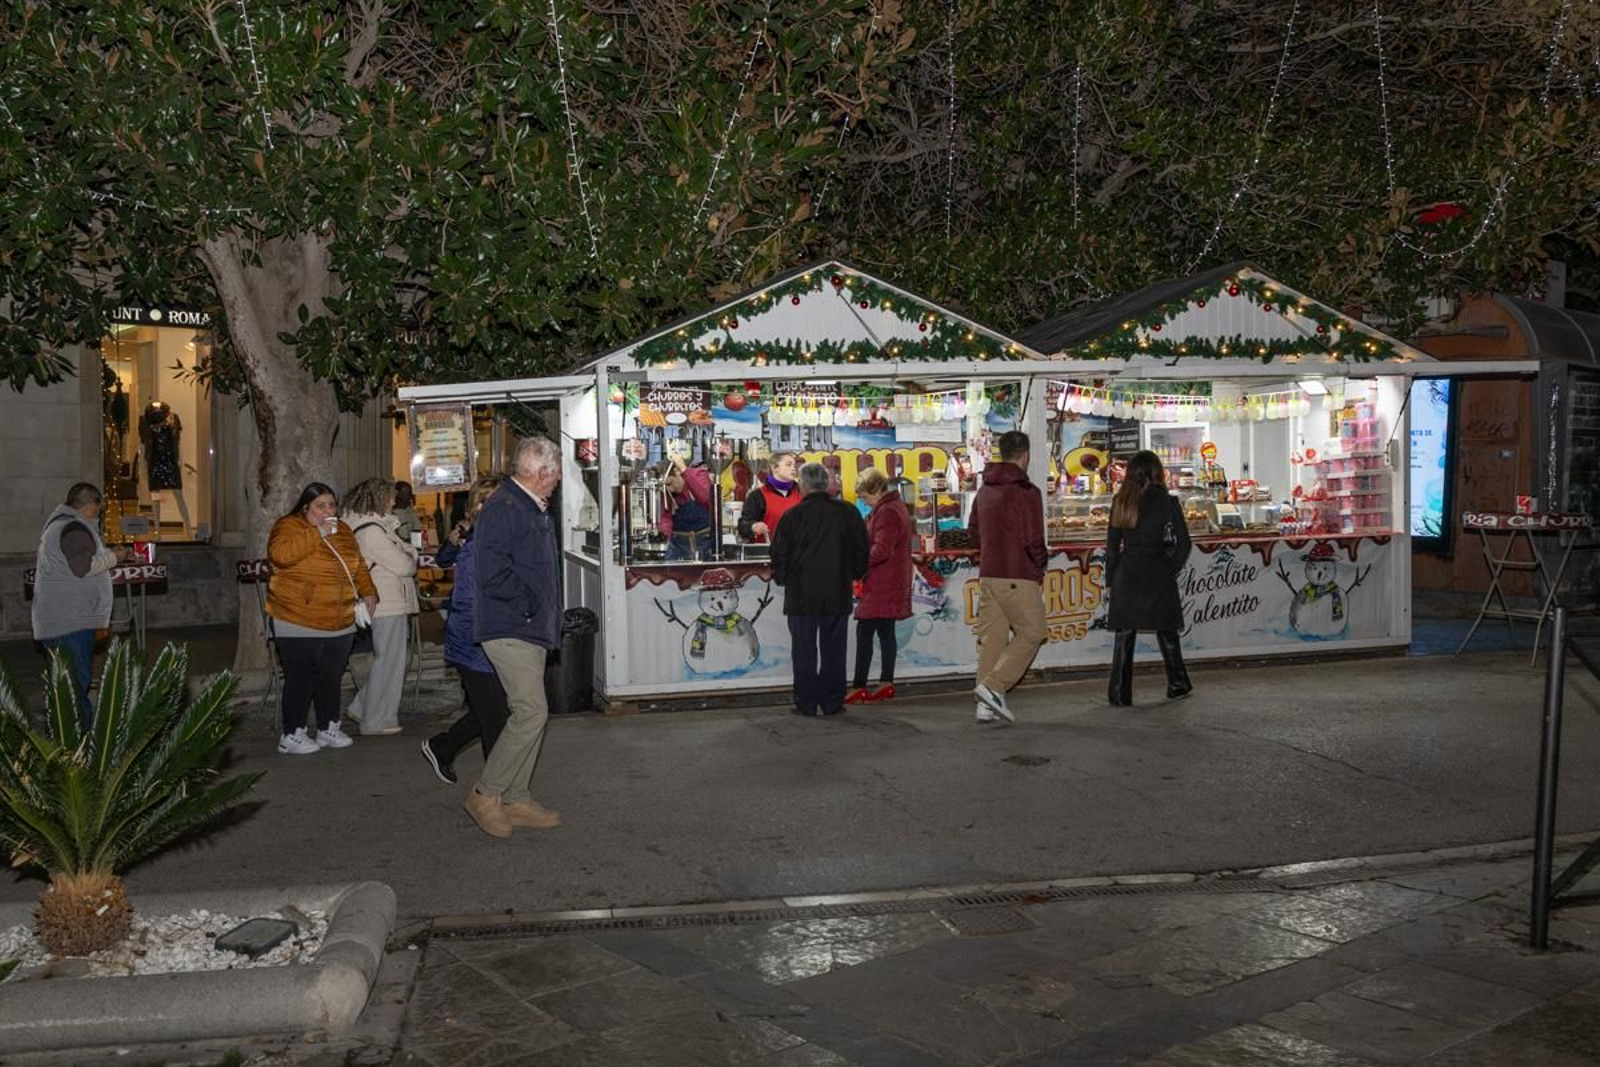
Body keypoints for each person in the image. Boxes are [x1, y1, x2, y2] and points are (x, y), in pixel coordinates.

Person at [463, 437, 565, 838]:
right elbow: (491, 572)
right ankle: (485, 794)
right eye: (554, 473)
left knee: (530, 711)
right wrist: (529, 606)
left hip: (526, 625)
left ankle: (517, 798)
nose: (557, 481)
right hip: (511, 626)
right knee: (531, 712)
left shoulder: (525, 504)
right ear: (541, 472)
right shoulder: (506, 508)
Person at [266, 482, 377, 755]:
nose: (328, 510)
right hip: (297, 617)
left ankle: (328, 727)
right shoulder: (288, 526)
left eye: (332, 505)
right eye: (321, 506)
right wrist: (318, 532)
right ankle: (292, 733)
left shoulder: (344, 530)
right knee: (301, 677)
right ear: (306, 507)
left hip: (340, 618)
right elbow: (280, 555)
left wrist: (370, 593)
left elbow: (358, 564)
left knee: (331, 677)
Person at [421, 476, 510, 785]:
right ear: (478, 504)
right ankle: (496, 789)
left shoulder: (491, 533)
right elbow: (446, 563)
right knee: (497, 714)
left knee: (495, 709)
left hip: (487, 635)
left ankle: (443, 746)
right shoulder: (476, 538)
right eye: (491, 500)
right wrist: (456, 537)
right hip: (475, 638)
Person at [772, 462, 869, 717]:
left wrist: (783, 578)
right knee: (834, 651)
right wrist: (854, 574)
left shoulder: (791, 516)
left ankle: (806, 703)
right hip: (837, 591)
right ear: (827, 484)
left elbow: (779, 555)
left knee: (803, 651)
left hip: (801, 594)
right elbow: (862, 551)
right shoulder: (848, 512)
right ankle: (832, 702)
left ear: (802, 486)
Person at [31, 483, 130, 730]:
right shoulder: (74, 528)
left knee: (64, 687)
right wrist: (114, 558)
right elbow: (82, 568)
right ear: (89, 506)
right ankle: (81, 746)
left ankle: (66, 741)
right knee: (75, 688)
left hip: (60, 620)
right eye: (98, 508)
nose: (98, 514)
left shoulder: (60, 525)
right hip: (70, 623)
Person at [968, 431, 1047, 725]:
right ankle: (993, 686)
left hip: (989, 573)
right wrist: (1041, 563)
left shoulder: (984, 491)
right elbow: (1033, 538)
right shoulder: (1027, 492)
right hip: (1018, 574)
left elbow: (972, 532)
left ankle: (984, 705)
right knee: (1034, 631)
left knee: (992, 639)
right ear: (1025, 455)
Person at [1105, 450, 1193, 706]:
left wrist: (1111, 580)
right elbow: (1184, 544)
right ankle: (1178, 683)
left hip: (1127, 573)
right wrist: (1170, 567)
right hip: (1158, 572)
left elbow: (1111, 548)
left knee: (1124, 636)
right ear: (1157, 472)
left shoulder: (1120, 501)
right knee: (1167, 632)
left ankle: (1120, 693)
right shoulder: (1168, 502)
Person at [343, 478, 419, 736]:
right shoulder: (372, 532)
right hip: (386, 601)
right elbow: (405, 564)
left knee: (389, 659)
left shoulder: (372, 528)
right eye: (390, 496)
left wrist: (409, 555)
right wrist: (410, 557)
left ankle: (363, 706)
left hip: (387, 599)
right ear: (378, 498)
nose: (394, 500)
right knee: (389, 661)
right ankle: (375, 719)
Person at [846, 468, 912, 704]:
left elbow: (881, 550)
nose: (863, 501)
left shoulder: (886, 513)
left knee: (865, 632)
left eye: (864, 496)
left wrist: (856, 561)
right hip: (891, 580)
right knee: (886, 632)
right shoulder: (894, 507)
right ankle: (886, 682)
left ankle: (859, 685)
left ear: (876, 490)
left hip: (881, 582)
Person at [737, 451, 801, 544]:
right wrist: (753, 526)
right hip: (767, 553)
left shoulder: (802, 493)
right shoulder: (757, 496)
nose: (793, 468)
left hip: (799, 553)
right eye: (788, 465)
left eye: (794, 465)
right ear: (774, 468)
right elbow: (743, 525)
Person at [662, 457, 714, 561]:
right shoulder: (668, 492)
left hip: (704, 543)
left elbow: (706, 497)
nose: (670, 489)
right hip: (678, 546)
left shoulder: (698, 474)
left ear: (677, 472)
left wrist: (685, 471)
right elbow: (665, 516)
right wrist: (664, 535)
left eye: (670, 483)